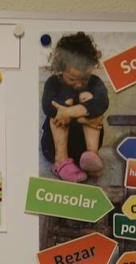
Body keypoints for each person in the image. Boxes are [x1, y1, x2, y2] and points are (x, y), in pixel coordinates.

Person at [40, 32, 110, 183]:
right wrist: (70, 112)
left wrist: (71, 112)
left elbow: (102, 102)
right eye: (72, 79)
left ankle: (91, 157)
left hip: (85, 149)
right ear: (61, 68)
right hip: (53, 146)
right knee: (61, 105)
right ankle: (61, 162)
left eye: (84, 78)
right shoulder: (53, 82)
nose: (78, 84)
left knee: (88, 98)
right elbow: (47, 107)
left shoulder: (95, 82)